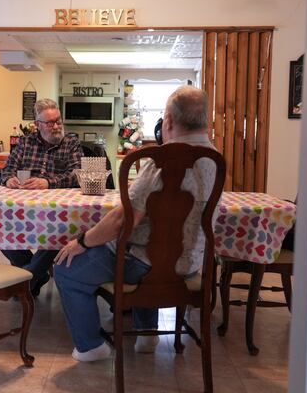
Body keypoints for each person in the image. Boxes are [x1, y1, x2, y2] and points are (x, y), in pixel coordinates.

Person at [53, 86, 218, 362]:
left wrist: (80, 241)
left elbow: (122, 219)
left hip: (144, 267)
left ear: (167, 121)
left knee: (66, 268)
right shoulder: (216, 160)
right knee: (149, 241)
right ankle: (146, 334)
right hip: (190, 265)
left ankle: (91, 346)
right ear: (205, 120)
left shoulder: (162, 162)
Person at [1, 98, 82, 297]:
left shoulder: (71, 142)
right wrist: (10, 178)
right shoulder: (25, 142)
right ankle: (36, 276)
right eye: (50, 123)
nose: (56, 126)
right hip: (24, 209)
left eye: (58, 121)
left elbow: (77, 174)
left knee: (61, 233)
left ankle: (26, 281)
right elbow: (7, 170)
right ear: (37, 125)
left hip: (57, 212)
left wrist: (48, 183)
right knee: (0, 230)